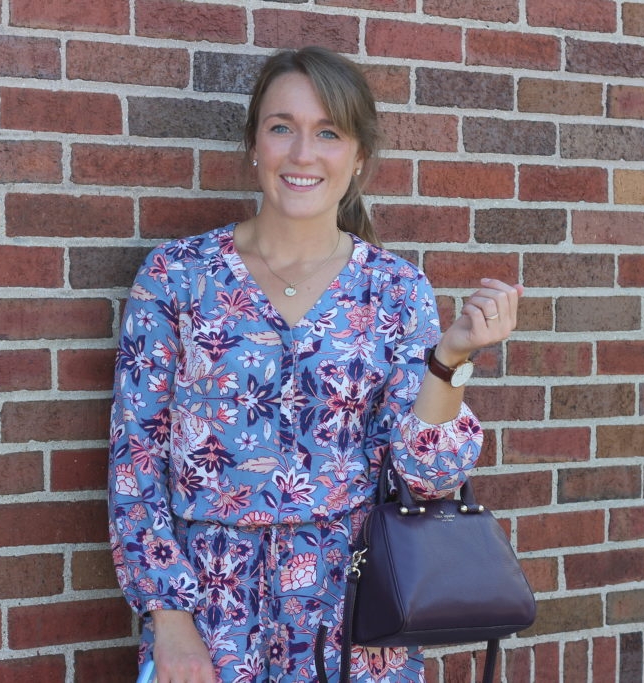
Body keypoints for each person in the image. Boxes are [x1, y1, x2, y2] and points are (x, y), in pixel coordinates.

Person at [108, 46, 524, 683]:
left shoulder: (394, 289)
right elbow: (137, 458)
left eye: (328, 133)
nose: (303, 154)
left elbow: (426, 477)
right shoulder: (177, 276)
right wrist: (169, 621)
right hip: (211, 614)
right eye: (283, 128)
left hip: (351, 612)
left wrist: (449, 361)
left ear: (358, 158)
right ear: (255, 144)